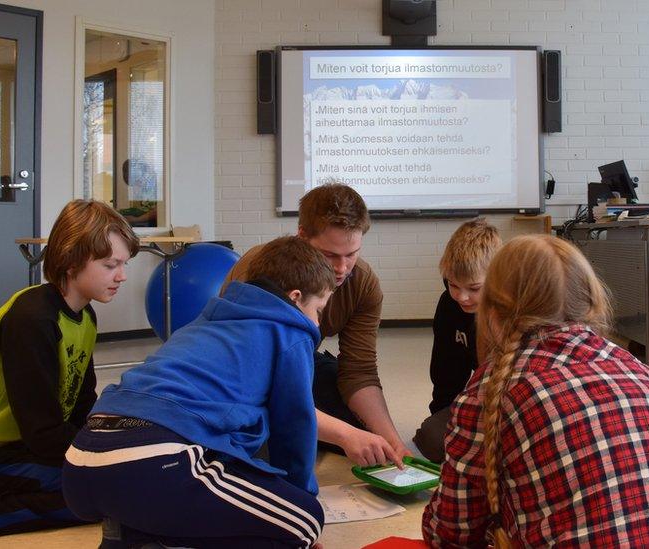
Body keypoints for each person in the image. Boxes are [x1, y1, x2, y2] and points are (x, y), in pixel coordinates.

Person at [423, 235, 649, 547]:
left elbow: (450, 530)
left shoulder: (491, 389)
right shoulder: (639, 369)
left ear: (493, 310)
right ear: (590, 300)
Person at [63, 236, 332, 549]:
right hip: (153, 460)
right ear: (296, 298)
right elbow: (294, 426)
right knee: (305, 521)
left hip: (82, 460)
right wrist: (296, 498)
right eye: (319, 309)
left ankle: (134, 535)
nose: (317, 321)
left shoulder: (207, 318)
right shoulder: (291, 330)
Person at [0, 199, 140, 539]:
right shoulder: (32, 320)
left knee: (119, 478)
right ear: (72, 261)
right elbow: (43, 435)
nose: (121, 276)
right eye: (109, 265)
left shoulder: (85, 316)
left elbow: (82, 404)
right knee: (104, 490)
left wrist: (115, 444)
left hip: (19, 443)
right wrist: (103, 461)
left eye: (123, 264)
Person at [225, 183, 410, 467]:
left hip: (302, 362)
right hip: (245, 373)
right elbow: (250, 375)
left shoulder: (363, 283)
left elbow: (359, 371)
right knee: (267, 454)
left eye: (352, 254)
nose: (342, 268)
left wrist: (393, 441)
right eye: (331, 255)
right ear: (302, 236)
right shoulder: (262, 270)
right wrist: (343, 435)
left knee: (368, 436)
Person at [413, 218, 501, 463]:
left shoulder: (511, 311)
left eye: (474, 288)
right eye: (454, 285)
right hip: (481, 401)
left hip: (518, 403)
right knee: (431, 438)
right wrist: (443, 417)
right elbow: (446, 371)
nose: (462, 297)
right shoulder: (449, 306)